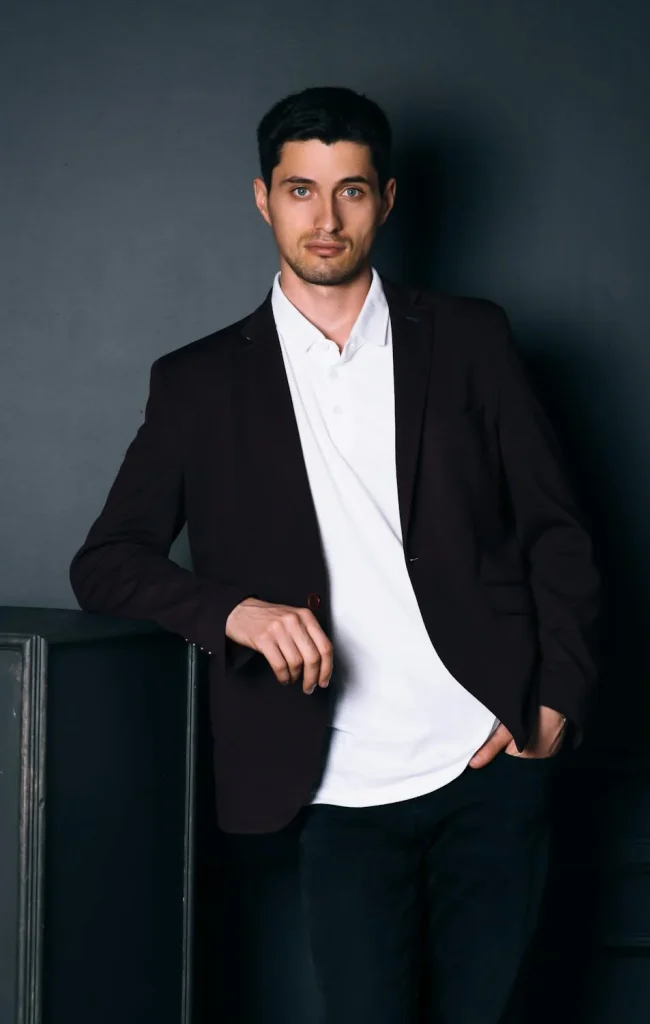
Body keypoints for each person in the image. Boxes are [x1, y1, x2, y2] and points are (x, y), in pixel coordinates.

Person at [70, 86, 600, 1023]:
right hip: (333, 784)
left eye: (349, 191)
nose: (325, 218)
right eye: (301, 190)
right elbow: (106, 560)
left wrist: (555, 697)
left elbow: (554, 528)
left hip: (491, 758)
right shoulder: (197, 383)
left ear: (386, 200)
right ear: (263, 198)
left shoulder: (470, 339)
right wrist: (232, 611)